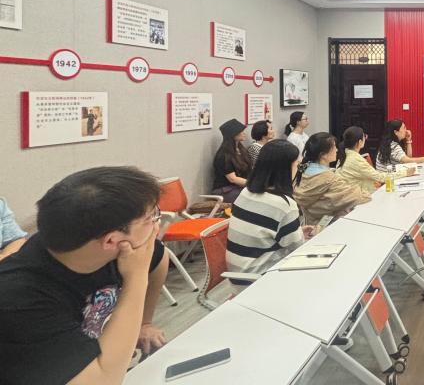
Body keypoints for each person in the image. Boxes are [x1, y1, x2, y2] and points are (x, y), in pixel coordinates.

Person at [0, 167, 171, 384]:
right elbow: (102, 380)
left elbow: (160, 259)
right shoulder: (19, 299)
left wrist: (143, 324)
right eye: (151, 217)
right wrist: (136, 277)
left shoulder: (103, 248)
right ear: (111, 240)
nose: (156, 224)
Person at [227, 139, 310, 286]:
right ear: (285, 169)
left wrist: (295, 231)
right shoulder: (284, 204)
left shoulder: (246, 192)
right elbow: (297, 249)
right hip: (261, 280)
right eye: (296, 165)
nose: (298, 169)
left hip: (238, 276)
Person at [294, 132, 372, 224]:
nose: (337, 150)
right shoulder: (330, 180)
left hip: (309, 224)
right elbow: (361, 197)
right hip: (330, 226)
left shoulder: (303, 171)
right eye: (334, 147)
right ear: (323, 154)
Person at [336, 126, 413, 195]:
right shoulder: (356, 159)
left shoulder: (344, 155)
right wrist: (405, 173)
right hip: (357, 197)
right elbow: (380, 177)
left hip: (350, 195)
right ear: (360, 142)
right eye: (364, 136)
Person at [213, 118, 251, 204]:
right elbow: (233, 179)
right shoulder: (223, 155)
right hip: (226, 189)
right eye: (241, 131)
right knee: (254, 198)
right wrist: (253, 184)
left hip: (239, 187)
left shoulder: (241, 150)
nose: (244, 133)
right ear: (233, 135)